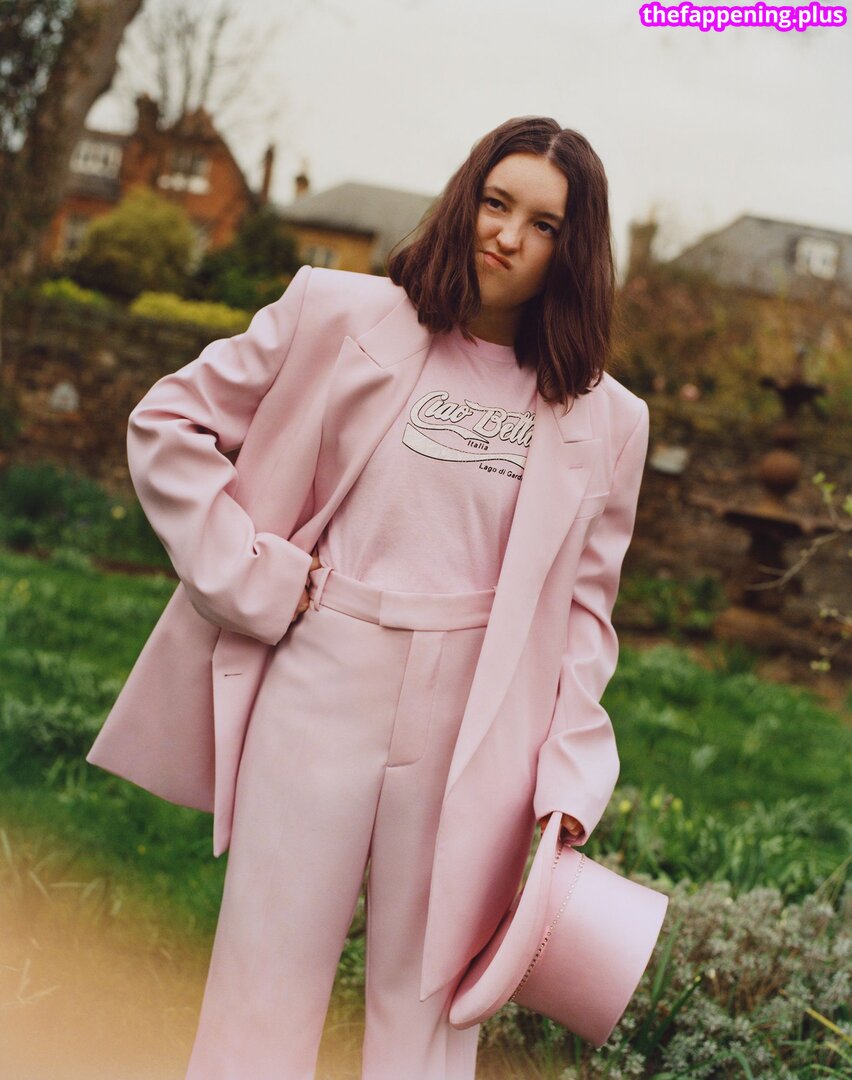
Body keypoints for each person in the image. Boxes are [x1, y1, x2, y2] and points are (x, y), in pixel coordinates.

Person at [88, 115, 650, 1080]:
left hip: (478, 726)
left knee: (426, 1007)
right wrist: (254, 576)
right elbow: (168, 421)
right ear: (466, 200)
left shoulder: (608, 417)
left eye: (544, 225)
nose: (507, 236)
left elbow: (583, 620)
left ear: (575, 251)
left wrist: (567, 782)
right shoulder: (337, 312)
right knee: (265, 973)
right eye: (496, 203)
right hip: (321, 676)